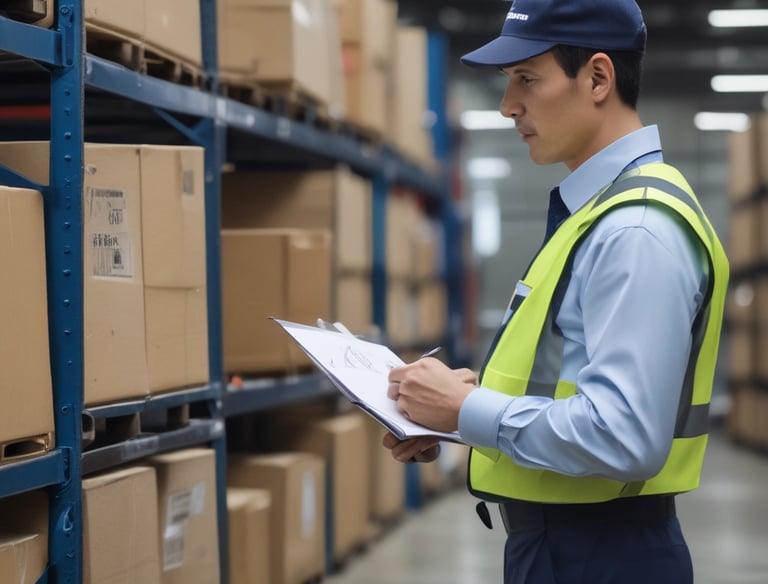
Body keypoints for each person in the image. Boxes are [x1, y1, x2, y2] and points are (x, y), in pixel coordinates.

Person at [383, 0, 730, 582]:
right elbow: (566, 380)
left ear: (597, 78)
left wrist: (469, 409)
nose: (507, 105)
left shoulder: (635, 230)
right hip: (567, 546)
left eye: (527, 78)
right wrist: (453, 410)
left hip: (602, 554)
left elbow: (625, 436)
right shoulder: (597, 214)